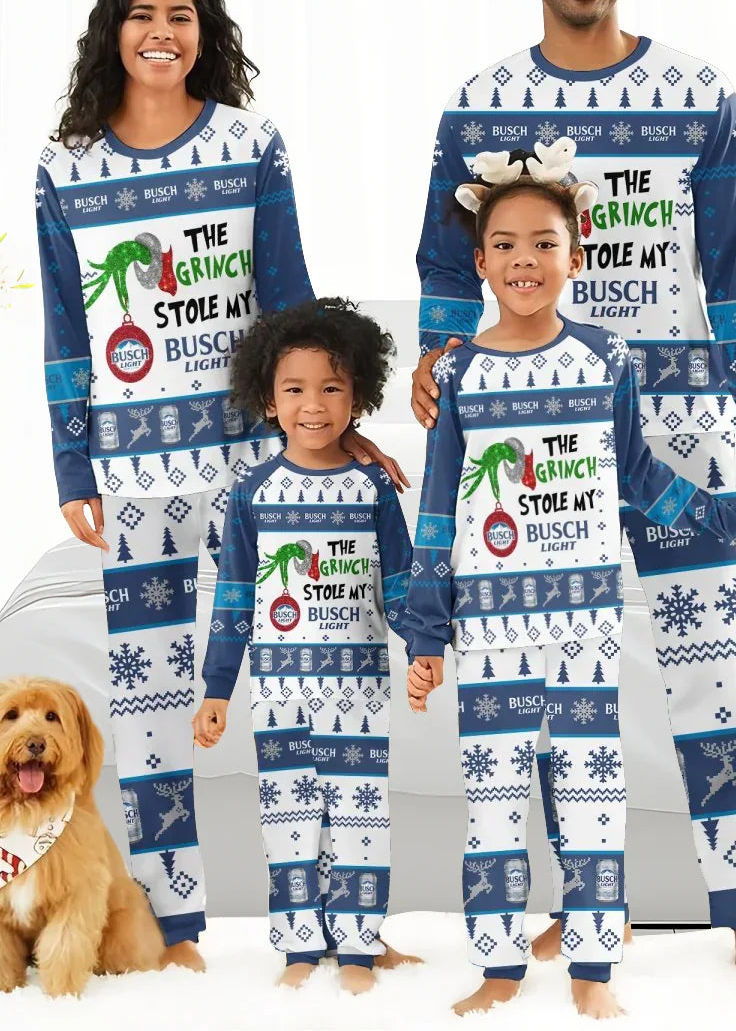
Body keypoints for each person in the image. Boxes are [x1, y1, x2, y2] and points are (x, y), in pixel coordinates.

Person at [411, 0, 736, 975]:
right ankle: (585, 903)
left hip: (684, 425)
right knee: (554, 675)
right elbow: (448, 262)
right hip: (536, 441)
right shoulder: (482, 100)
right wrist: (434, 356)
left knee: (710, 660)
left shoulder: (700, 92)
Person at [36, 0, 404, 964]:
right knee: (150, 697)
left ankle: (337, 921)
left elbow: (289, 292)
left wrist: (341, 415)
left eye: (183, 15)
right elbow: (69, 332)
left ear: (206, 33)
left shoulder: (249, 144)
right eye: (145, 13)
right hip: (136, 476)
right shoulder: (67, 166)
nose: (164, 30)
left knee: (298, 675)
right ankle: (175, 923)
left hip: (255, 464)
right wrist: (75, 471)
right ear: (114, 30)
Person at [403, 176, 736, 1019]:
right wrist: (425, 634)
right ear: (480, 263)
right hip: (491, 627)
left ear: (575, 256)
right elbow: (437, 511)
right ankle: (499, 968)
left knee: (591, 794)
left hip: (585, 627)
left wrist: (729, 514)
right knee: (493, 799)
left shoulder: (607, 358)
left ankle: (593, 971)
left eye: (543, 243)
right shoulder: (458, 374)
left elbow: (640, 480)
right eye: (504, 246)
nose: (524, 261)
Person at [193, 298, 421, 992]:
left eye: (332, 388)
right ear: (268, 397)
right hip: (278, 692)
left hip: (358, 689)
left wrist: (425, 647)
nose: (314, 406)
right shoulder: (251, 494)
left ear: (359, 396)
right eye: (295, 389)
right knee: (287, 818)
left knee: (359, 816)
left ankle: (358, 946)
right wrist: (216, 691)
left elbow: (402, 582)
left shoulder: (373, 485)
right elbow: (234, 599)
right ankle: (298, 946)